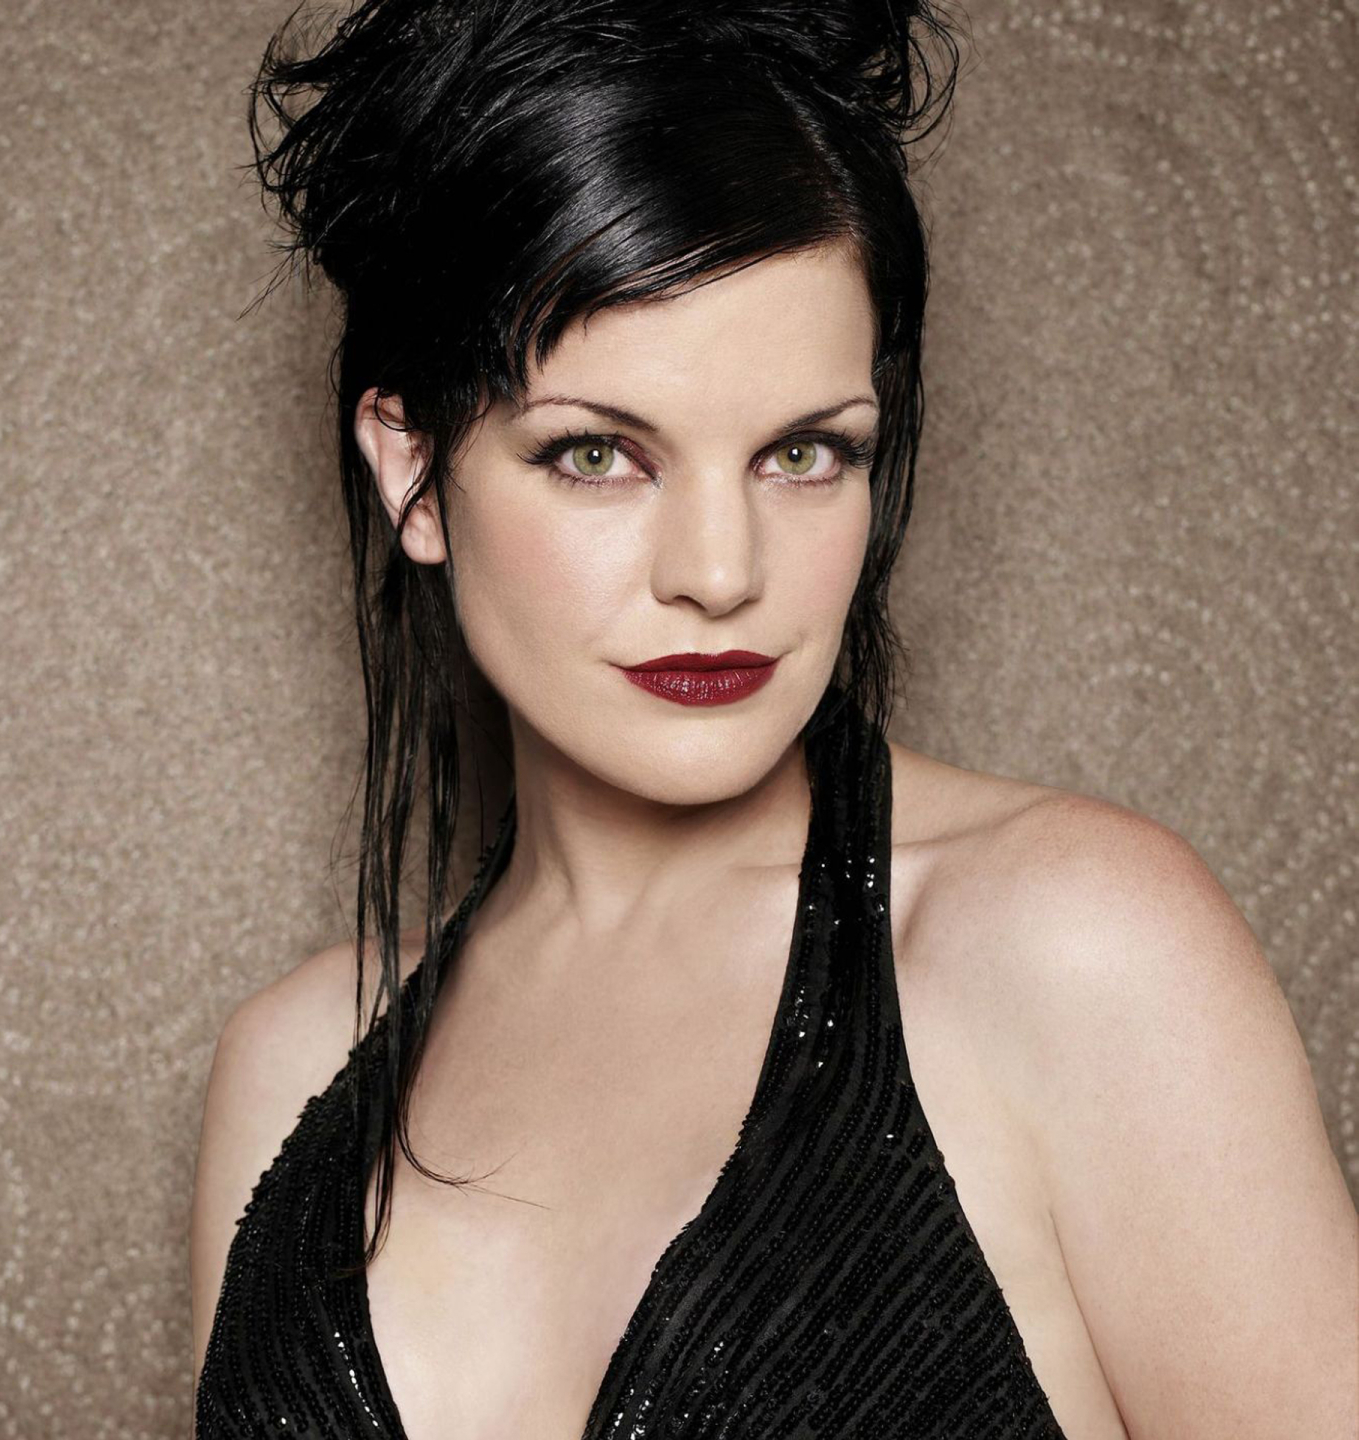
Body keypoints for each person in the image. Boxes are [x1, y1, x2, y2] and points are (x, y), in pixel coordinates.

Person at [188, 0, 1359, 1435]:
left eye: (804, 453)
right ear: (414, 470)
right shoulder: (291, 1074)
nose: (721, 572)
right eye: (597, 454)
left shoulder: (1074, 952)